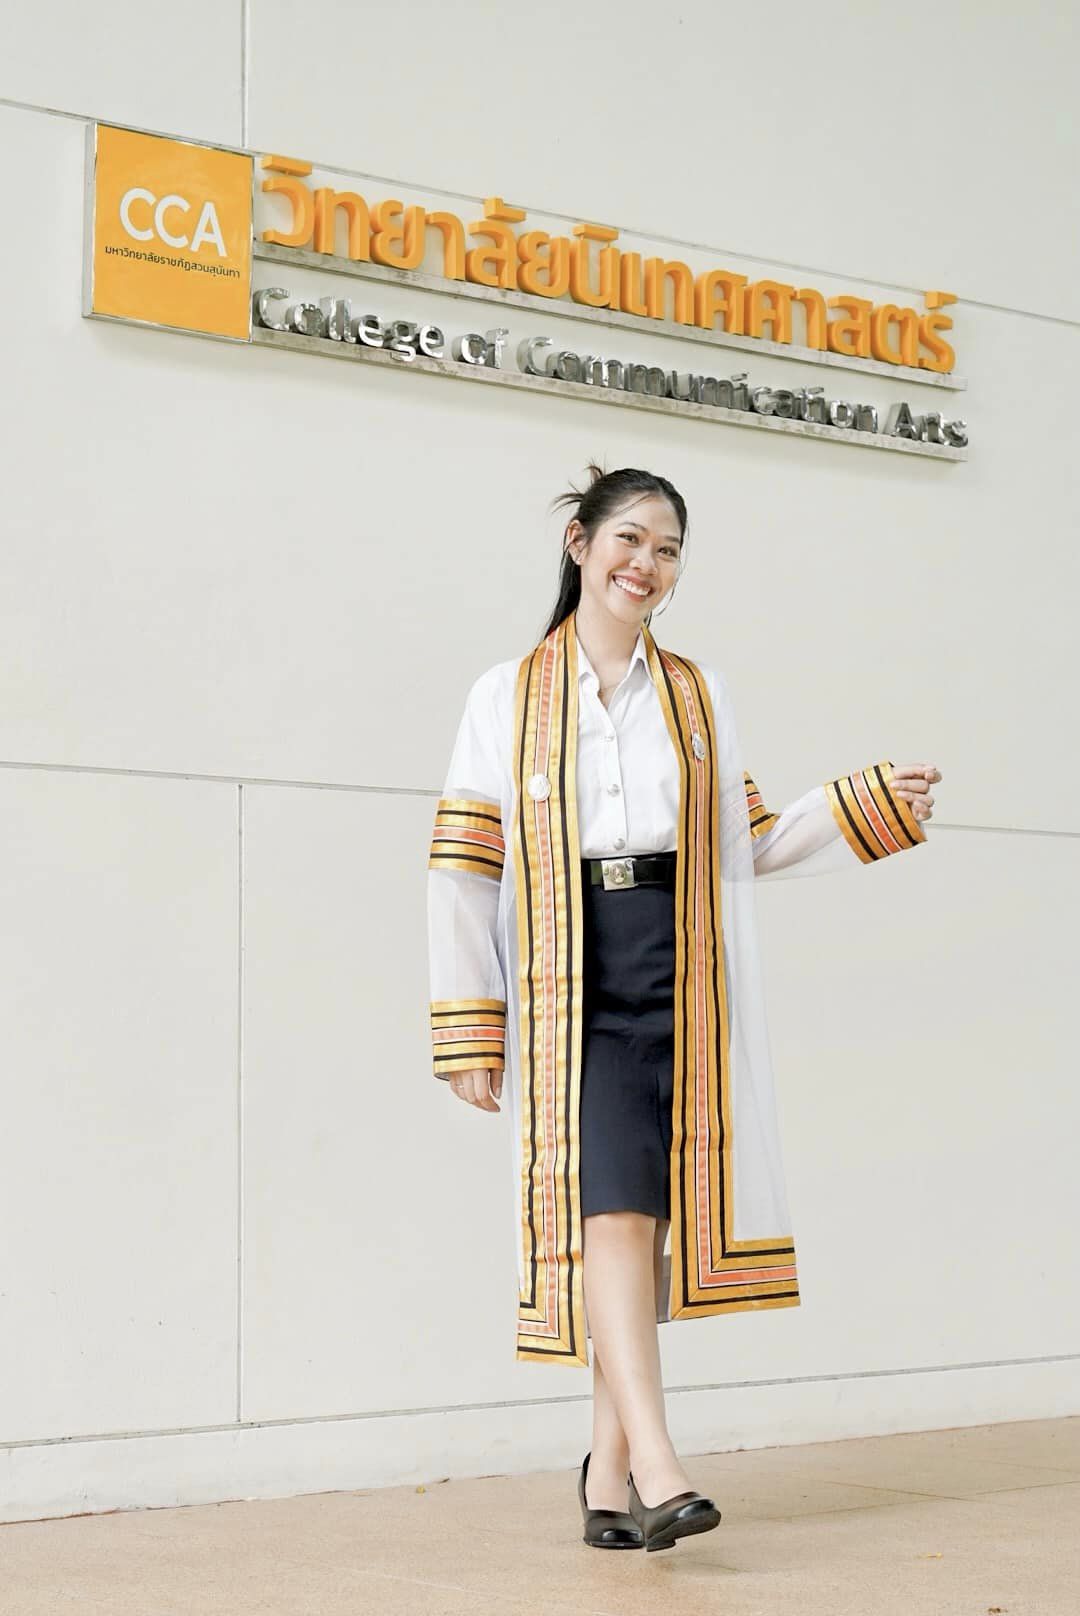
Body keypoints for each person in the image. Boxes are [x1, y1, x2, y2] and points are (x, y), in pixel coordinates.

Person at [426, 463, 940, 1552]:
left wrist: (864, 805)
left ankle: (606, 1473)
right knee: (611, 1209)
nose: (645, 564)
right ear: (579, 544)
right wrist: (472, 1021)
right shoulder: (503, 694)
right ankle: (659, 1466)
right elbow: (467, 864)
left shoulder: (698, 696)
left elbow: (744, 841)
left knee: (649, 1222)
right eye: (628, 538)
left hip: (683, 967)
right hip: (572, 974)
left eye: (666, 549)